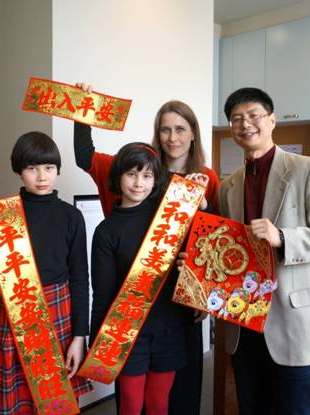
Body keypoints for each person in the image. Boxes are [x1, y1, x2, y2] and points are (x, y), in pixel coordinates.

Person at [73, 83, 219, 414]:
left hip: (179, 300)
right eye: (164, 129)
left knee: (177, 389)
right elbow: (85, 157)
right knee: (134, 397)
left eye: (180, 129)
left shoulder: (206, 177)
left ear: (193, 133)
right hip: (131, 306)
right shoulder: (141, 165)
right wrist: (83, 109)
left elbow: (214, 243)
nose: (172, 137)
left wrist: (206, 294)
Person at [219, 87, 310, 414]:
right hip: (245, 324)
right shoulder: (228, 185)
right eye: (236, 119)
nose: (245, 124)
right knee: (252, 408)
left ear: (272, 120)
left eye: (253, 115)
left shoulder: (309, 169)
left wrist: (284, 238)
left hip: (295, 324)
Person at [0, 132, 93, 414]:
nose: (41, 176)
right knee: (18, 406)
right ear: (19, 171)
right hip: (15, 316)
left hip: (60, 316)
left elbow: (80, 278)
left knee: (57, 407)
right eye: (32, 168)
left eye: (48, 168)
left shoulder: (71, 216)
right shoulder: (2, 217)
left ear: (57, 170)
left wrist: (80, 336)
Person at [90, 142, 209, 415]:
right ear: (118, 176)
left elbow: (203, 251)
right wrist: (97, 340)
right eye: (131, 174)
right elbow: (103, 292)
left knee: (159, 404)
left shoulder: (168, 217)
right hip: (127, 333)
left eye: (147, 176)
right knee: (131, 406)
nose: (138, 183)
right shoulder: (106, 231)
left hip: (169, 328)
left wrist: (200, 202)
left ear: (155, 180)